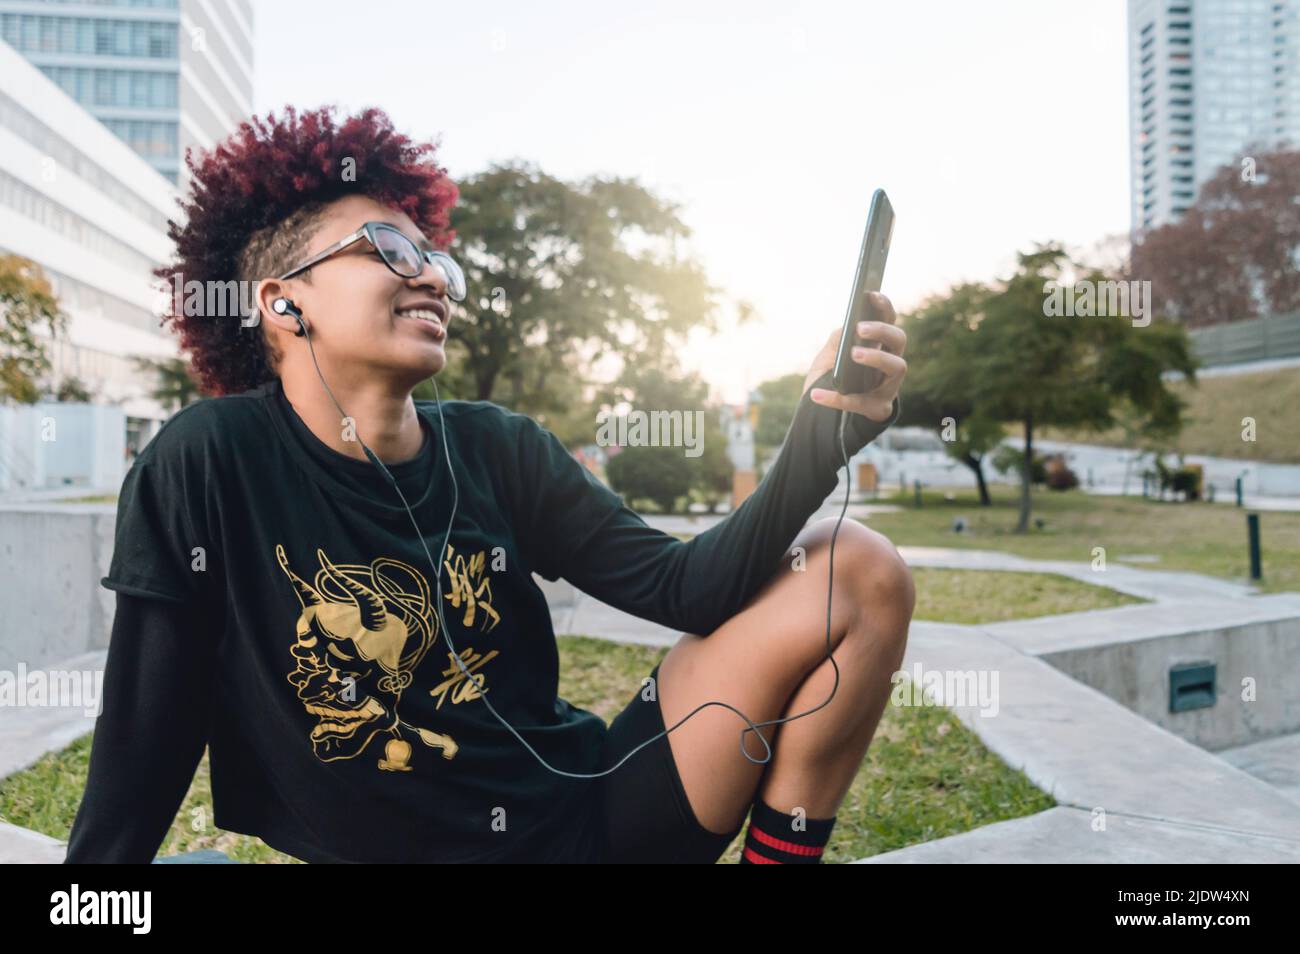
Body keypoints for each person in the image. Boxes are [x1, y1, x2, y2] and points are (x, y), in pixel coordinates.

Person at [64, 105, 913, 865]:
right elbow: (148, 730)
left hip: (592, 826)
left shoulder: (497, 447)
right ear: (284, 304)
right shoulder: (209, 459)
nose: (431, 275)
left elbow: (686, 589)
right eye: (390, 250)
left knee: (855, 567)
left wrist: (819, 437)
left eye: (434, 258)